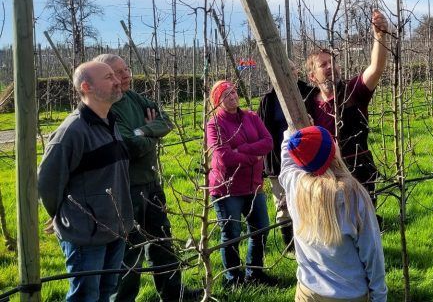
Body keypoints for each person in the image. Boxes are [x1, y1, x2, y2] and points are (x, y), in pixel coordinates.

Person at [92, 54, 202, 302]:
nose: (127, 75)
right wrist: (150, 136)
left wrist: (143, 130)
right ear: (106, 77)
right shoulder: (107, 107)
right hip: (126, 189)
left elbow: (165, 121)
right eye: (118, 73)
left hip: (151, 184)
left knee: (163, 241)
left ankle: (175, 293)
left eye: (126, 69)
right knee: (130, 251)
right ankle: (123, 298)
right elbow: (128, 146)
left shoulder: (134, 98)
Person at [38, 61, 134, 302]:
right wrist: (63, 216)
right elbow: (47, 183)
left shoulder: (111, 122)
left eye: (115, 75)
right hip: (86, 234)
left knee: (107, 292)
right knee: (85, 296)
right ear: (86, 87)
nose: (116, 81)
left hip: (115, 228)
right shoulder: (72, 131)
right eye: (108, 77)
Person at [279, 126, 387, 302]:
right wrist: (379, 295)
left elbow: (287, 157)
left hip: (308, 292)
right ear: (332, 152)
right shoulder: (353, 195)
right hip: (349, 295)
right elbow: (372, 252)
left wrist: (292, 134)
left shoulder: (295, 185)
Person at [304, 9, 389, 218]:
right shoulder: (307, 105)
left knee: (363, 224)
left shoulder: (353, 91)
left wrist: (380, 37)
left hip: (359, 171)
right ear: (312, 76)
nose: (330, 66)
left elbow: (376, 68)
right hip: (326, 176)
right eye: (323, 64)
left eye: (332, 62)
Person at [206, 80, 278, 287]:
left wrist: (241, 150)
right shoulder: (214, 124)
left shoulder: (251, 117)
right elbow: (223, 157)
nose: (233, 97)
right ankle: (233, 279)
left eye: (234, 92)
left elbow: (268, 142)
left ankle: (254, 273)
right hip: (227, 188)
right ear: (217, 101)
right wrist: (252, 157)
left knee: (261, 229)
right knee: (231, 235)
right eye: (226, 95)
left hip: (253, 185)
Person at [258, 61, 314, 250]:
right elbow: (262, 132)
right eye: (284, 71)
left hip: (308, 158)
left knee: (308, 200)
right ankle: (290, 246)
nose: (290, 74)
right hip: (279, 161)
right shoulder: (268, 100)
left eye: (292, 69)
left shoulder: (308, 93)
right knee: (283, 207)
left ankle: (310, 241)